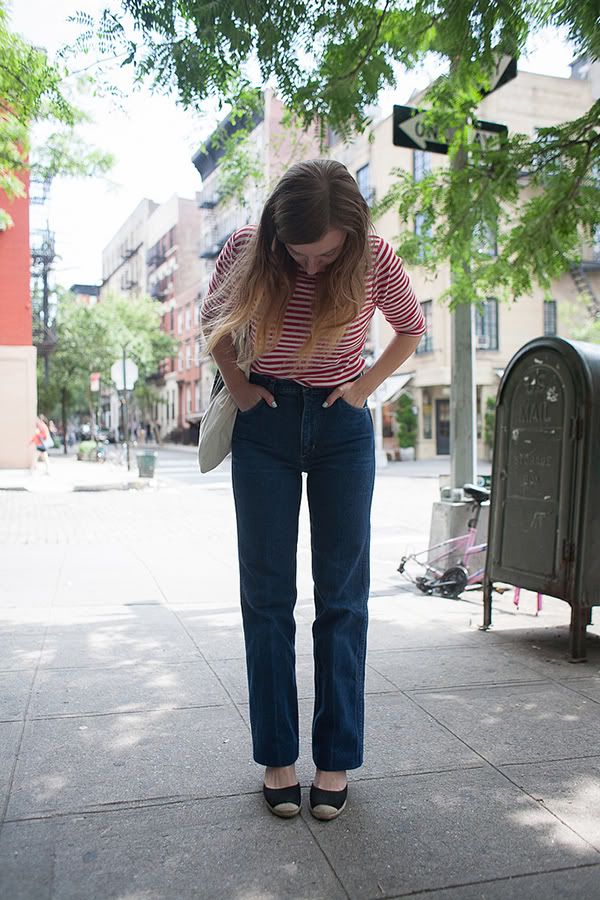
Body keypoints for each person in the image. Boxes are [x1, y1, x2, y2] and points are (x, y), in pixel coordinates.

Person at [201, 159, 425, 821]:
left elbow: (411, 328)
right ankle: (277, 756)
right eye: (297, 252)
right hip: (266, 423)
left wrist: (362, 388)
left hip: (340, 427)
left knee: (343, 597)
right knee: (267, 595)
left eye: (325, 255)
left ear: (350, 237)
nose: (309, 266)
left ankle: (335, 760)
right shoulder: (248, 248)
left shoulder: (374, 258)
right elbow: (214, 323)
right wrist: (240, 389)